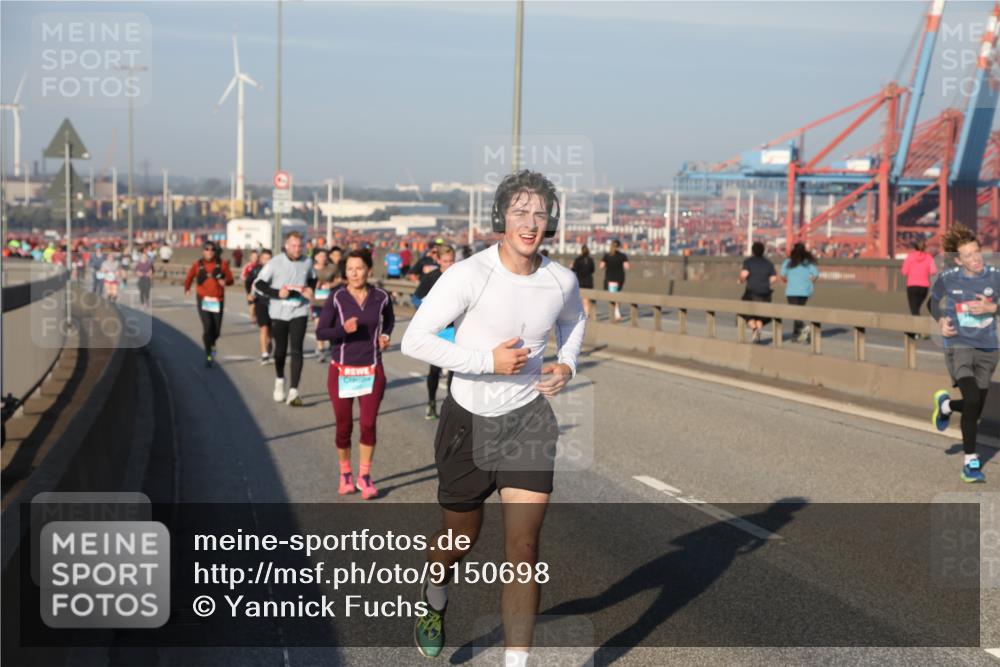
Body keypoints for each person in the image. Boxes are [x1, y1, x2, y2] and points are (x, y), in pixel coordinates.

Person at [401, 170, 586, 663]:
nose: (530, 223)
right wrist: (488, 362)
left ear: (552, 222)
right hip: (467, 421)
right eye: (520, 212)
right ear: (501, 217)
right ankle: (434, 592)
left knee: (523, 550)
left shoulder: (560, 280)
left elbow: (575, 320)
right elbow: (414, 339)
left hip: (527, 421)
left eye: (540, 214)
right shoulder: (468, 274)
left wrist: (567, 363)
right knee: (460, 536)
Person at [316, 249, 394, 499]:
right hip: (342, 370)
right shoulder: (336, 297)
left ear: (369, 270)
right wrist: (342, 330)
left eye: (359, 268)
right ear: (345, 272)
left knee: (369, 424)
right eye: (350, 269)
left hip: (372, 368)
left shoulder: (381, 297)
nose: (354, 273)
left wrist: (385, 335)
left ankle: (365, 475)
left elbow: (389, 320)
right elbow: (321, 332)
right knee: (344, 425)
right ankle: (346, 474)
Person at [930, 224, 998, 483]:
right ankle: (970, 462)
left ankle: (945, 405)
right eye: (968, 255)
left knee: (975, 408)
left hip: (988, 350)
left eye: (977, 252)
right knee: (971, 400)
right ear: (958, 260)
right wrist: (940, 321)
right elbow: (933, 302)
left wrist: (993, 308)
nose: (976, 258)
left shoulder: (995, 276)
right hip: (959, 346)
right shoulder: (949, 278)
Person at [254, 232, 316, 406]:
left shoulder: (307, 262)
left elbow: (313, 278)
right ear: (286, 246)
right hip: (278, 312)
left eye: (299, 246)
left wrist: (310, 289)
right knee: (280, 351)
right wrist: (277, 293)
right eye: (293, 246)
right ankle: (280, 380)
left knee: (297, 349)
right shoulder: (275, 262)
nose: (297, 249)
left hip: (300, 310)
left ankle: (294, 391)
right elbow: (258, 284)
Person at [413, 244, 457, 419]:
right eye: (445, 261)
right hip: (437, 330)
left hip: (455, 329)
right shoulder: (431, 277)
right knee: (435, 370)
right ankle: (431, 403)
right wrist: (427, 311)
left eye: (452, 261)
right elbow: (415, 298)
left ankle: (450, 406)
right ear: (438, 261)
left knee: (455, 368)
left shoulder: (460, 276)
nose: (449, 264)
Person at [184, 241, 235, 367]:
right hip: (203, 299)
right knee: (207, 328)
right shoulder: (198, 265)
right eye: (207, 249)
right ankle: (208, 354)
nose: (209, 251)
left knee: (216, 331)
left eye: (212, 249)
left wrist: (225, 281)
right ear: (203, 251)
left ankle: (212, 344)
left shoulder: (222, 264)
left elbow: (230, 279)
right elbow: (189, 277)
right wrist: (187, 288)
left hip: (218, 300)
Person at [738, 241, 777, 344]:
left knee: (744, 311)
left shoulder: (748, 262)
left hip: (751, 293)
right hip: (765, 293)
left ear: (752, 251)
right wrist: (764, 283)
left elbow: (744, 275)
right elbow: (773, 279)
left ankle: (755, 329)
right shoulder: (769, 263)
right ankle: (757, 335)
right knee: (761, 315)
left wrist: (740, 280)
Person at [780, 242, 820, 343]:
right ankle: (796, 335)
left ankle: (804, 328)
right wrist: (810, 282)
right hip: (805, 291)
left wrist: (786, 281)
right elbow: (815, 274)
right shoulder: (808, 262)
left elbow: (782, 275)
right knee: (799, 312)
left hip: (792, 291)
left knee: (795, 313)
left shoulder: (788, 262)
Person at [312, 248, 341, 364]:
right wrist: (314, 285)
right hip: (315, 301)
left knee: (329, 325)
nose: (323, 258)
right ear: (315, 257)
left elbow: (339, 279)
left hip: (329, 301)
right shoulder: (311, 269)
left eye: (325, 256)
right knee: (318, 325)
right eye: (320, 256)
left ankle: (331, 344)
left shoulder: (332, 268)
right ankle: (320, 350)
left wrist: (331, 284)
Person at [245, 249, 273, 365]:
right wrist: (249, 294)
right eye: (264, 259)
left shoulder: (276, 271)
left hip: (274, 302)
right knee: (264, 328)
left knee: (272, 330)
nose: (266, 261)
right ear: (261, 259)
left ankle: (269, 342)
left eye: (269, 259)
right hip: (260, 301)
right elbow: (248, 282)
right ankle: (264, 354)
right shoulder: (256, 271)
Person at [902, 239, 937, 317]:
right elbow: (933, 271)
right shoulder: (929, 258)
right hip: (924, 287)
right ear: (924, 248)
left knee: (914, 309)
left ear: (915, 247)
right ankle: (916, 326)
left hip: (912, 286)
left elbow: (904, 272)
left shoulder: (910, 257)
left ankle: (915, 327)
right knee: (916, 308)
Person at [600, 239, 630, 322]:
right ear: (619, 246)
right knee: (617, 295)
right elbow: (627, 266)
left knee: (612, 296)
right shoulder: (622, 256)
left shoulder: (607, 255)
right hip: (619, 278)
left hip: (610, 278)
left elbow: (601, 266)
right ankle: (617, 312)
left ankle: (614, 312)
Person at [571, 245, 596, 317]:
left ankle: (585, 313)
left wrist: (572, 266)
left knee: (582, 299)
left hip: (580, 281)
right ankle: (587, 312)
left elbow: (574, 269)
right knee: (587, 298)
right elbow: (592, 270)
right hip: (589, 281)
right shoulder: (590, 259)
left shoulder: (578, 259)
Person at [241, 249, 261, 321]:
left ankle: (256, 315)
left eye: (256, 257)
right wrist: (247, 289)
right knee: (252, 303)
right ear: (250, 257)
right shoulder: (247, 266)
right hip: (250, 288)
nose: (255, 258)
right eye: (253, 257)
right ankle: (252, 316)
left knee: (258, 303)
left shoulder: (261, 266)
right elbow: (243, 277)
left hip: (259, 288)